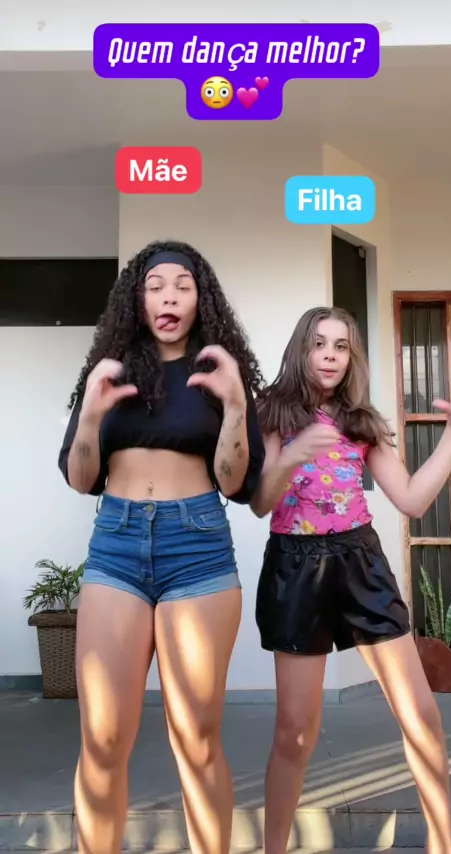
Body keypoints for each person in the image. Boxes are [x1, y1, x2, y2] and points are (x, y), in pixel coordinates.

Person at [58, 240, 265, 854]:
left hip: (196, 549)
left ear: (201, 299)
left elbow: (237, 484)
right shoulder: (109, 371)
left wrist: (235, 404)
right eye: (155, 286)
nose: (168, 296)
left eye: (182, 285)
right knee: (102, 738)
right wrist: (90, 415)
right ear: (138, 298)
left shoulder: (219, 373)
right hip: (117, 546)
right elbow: (81, 479)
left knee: (196, 739)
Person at [251, 306, 451, 854]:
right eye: (319, 344)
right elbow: (260, 501)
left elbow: (412, 499)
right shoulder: (273, 412)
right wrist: (293, 455)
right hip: (295, 567)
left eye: (342, 346)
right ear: (301, 349)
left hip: (360, 562)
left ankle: (444, 844)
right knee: (295, 733)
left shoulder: (361, 421)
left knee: (421, 715)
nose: (330, 356)